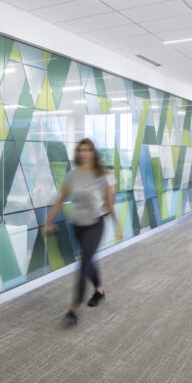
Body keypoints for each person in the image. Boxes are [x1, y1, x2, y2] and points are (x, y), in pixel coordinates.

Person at [45, 138, 119, 325]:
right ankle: (99, 291)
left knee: (84, 264)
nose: (84, 153)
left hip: (96, 223)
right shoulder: (72, 175)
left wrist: (118, 226)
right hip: (78, 223)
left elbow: (110, 203)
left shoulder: (104, 175)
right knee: (89, 258)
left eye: (88, 149)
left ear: (93, 152)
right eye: (81, 150)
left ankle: (74, 309)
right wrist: (50, 219)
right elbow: (61, 199)